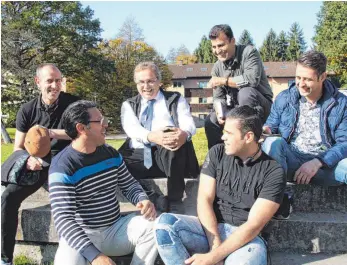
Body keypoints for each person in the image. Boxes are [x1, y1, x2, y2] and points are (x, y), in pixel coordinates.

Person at [155, 106, 286, 265]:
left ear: (248, 136)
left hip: (246, 240)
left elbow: (254, 225)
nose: (223, 137)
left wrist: (212, 257)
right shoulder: (217, 152)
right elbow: (204, 199)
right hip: (210, 230)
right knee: (164, 225)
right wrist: (215, 244)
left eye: (229, 133)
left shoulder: (274, 171)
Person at [49, 100, 158, 265]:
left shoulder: (110, 153)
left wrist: (142, 199)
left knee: (156, 226)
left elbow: (129, 184)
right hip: (82, 235)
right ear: (81, 128)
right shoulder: (63, 166)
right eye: (100, 121)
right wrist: (95, 256)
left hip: (114, 229)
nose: (105, 125)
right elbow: (64, 219)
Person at [1, 63, 79, 265]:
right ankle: (5, 259)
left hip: (68, 161)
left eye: (58, 80)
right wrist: (28, 159)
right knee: (8, 197)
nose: (55, 85)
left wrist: (50, 133)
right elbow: (18, 147)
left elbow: (83, 132)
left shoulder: (74, 104)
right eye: (50, 81)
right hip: (38, 163)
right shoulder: (27, 110)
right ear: (38, 82)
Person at [119, 61, 199, 212]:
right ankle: (152, 198)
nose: (146, 86)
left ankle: (175, 200)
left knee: (172, 142)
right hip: (140, 153)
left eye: (150, 81)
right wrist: (152, 136)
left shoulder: (175, 99)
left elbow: (188, 122)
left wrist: (184, 134)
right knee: (114, 162)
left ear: (159, 81)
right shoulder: (129, 104)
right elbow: (132, 129)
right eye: (141, 82)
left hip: (168, 152)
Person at [262, 50, 347, 186]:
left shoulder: (341, 103)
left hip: (325, 166)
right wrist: (266, 130)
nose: (301, 84)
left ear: (323, 76)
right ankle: (275, 198)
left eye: (307, 79)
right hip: (291, 162)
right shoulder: (284, 98)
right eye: (298, 77)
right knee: (273, 143)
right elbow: (271, 125)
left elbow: (344, 143)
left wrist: (318, 162)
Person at [204, 24, 273, 149]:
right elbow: (218, 98)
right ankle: (217, 159)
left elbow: (252, 80)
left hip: (261, 107)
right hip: (235, 109)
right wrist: (220, 113)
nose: (217, 51)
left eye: (221, 45)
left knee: (245, 93)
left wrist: (223, 80)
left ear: (233, 41)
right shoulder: (217, 67)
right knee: (211, 120)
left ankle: (252, 143)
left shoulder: (249, 52)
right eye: (213, 47)